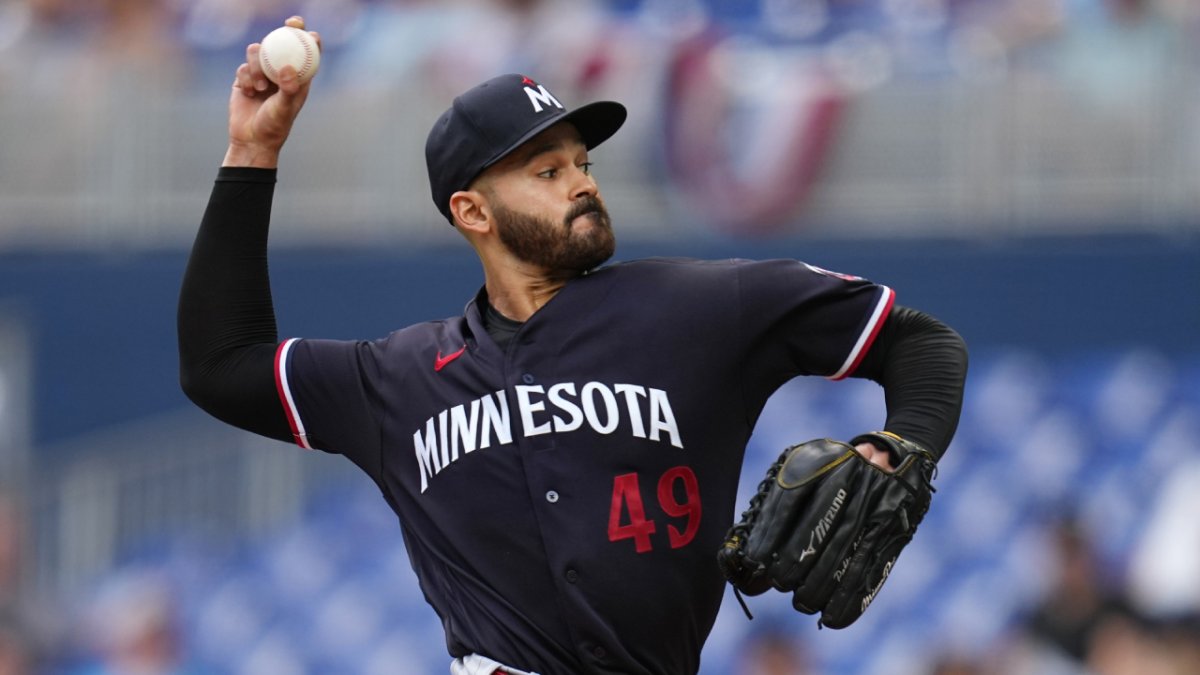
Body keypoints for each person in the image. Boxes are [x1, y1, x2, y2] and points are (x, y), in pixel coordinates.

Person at [177, 15, 968, 675]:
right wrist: (253, 153)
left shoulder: (701, 307)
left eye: (583, 163)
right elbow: (221, 365)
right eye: (545, 170)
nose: (582, 182)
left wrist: (897, 447)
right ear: (473, 212)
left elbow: (919, 341)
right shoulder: (399, 376)